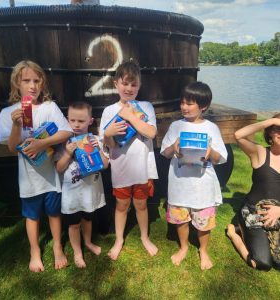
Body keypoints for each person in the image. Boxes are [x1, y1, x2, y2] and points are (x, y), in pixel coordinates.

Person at [0, 60, 73, 272]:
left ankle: (57, 246)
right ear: (16, 84)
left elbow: (66, 132)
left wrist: (43, 143)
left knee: (54, 213)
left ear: (43, 83)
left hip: (50, 176)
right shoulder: (9, 113)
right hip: (28, 178)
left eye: (37, 80)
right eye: (26, 80)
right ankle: (35, 251)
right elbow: (12, 147)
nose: (33, 86)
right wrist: (16, 125)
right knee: (31, 215)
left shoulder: (49, 107)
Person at [160, 81, 227, 270]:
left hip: (202, 185)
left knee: (204, 221)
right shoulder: (175, 126)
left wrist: (210, 152)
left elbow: (221, 157)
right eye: (182, 102)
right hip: (179, 183)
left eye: (189, 103)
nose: (184, 107)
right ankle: (183, 247)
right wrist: (172, 148)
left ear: (203, 106)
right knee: (180, 218)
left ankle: (203, 250)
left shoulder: (211, 128)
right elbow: (164, 153)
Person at [99, 61, 159, 260]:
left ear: (139, 86)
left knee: (141, 204)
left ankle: (144, 237)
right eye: (125, 83)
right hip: (121, 169)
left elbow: (150, 132)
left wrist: (131, 117)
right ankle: (119, 240)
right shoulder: (108, 111)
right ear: (116, 84)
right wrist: (108, 133)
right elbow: (110, 145)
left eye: (134, 85)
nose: (129, 88)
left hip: (143, 169)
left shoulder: (145, 107)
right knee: (121, 205)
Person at [55, 102, 108, 268]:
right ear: (67, 120)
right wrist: (69, 153)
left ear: (90, 121)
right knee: (74, 224)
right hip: (72, 194)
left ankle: (88, 243)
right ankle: (77, 253)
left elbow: (105, 165)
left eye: (81, 121)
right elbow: (59, 167)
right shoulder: (63, 142)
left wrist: (97, 150)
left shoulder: (96, 140)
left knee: (88, 219)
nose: (76, 125)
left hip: (90, 191)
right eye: (72, 120)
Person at [227, 114, 280, 270]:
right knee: (262, 262)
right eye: (278, 129)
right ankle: (233, 233)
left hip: (277, 213)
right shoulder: (260, 152)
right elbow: (238, 135)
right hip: (253, 211)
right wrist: (272, 121)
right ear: (270, 132)